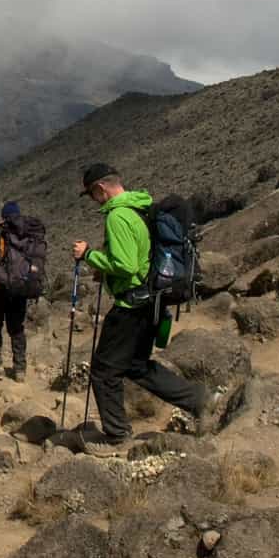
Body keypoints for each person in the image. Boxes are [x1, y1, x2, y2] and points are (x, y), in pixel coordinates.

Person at [72, 163, 209, 444]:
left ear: (100, 189)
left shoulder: (118, 216)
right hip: (152, 302)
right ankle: (200, 401)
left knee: (104, 370)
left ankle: (117, 435)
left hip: (131, 307)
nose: (93, 200)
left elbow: (125, 264)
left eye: (91, 195)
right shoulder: (141, 206)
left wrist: (89, 255)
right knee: (136, 366)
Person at [0, 201, 33, 381]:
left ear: (3, 216)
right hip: (19, 288)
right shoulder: (27, 232)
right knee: (16, 328)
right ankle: (20, 369)